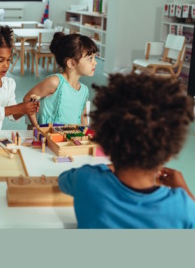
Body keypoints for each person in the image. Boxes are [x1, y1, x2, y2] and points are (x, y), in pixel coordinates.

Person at [58, 73, 195, 228]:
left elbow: (62, 181)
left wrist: (103, 169)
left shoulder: (87, 179)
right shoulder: (183, 208)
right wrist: (184, 189)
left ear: (105, 143)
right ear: (169, 154)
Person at [23, 32, 98, 132]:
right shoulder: (55, 82)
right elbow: (27, 98)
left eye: (94, 57)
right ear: (71, 63)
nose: (95, 62)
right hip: (49, 140)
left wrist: (87, 135)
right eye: (90, 58)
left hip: (69, 142)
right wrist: (36, 127)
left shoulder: (84, 90)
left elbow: (83, 119)